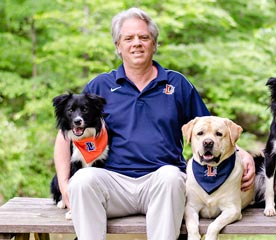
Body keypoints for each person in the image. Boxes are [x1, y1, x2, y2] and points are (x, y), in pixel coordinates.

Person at [53, 7, 255, 240]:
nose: (136, 43)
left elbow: (212, 129)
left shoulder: (177, 84)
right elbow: (64, 136)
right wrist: (64, 183)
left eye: (143, 37)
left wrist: (242, 153)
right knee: (83, 180)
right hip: (112, 183)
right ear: (118, 46)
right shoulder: (100, 86)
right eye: (128, 38)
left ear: (154, 44)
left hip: (162, 183)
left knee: (170, 176)